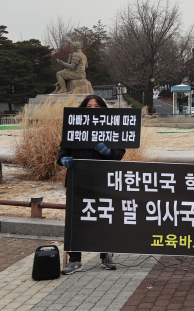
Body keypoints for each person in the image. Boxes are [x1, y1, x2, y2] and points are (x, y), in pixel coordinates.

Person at [59, 95, 126, 275]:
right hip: (78, 179)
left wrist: (109, 151)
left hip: (103, 180)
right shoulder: (73, 125)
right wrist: (63, 159)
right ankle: (74, 260)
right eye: (89, 106)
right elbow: (63, 149)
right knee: (76, 219)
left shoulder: (112, 126)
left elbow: (120, 153)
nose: (93, 109)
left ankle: (106, 255)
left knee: (105, 217)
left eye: (97, 106)